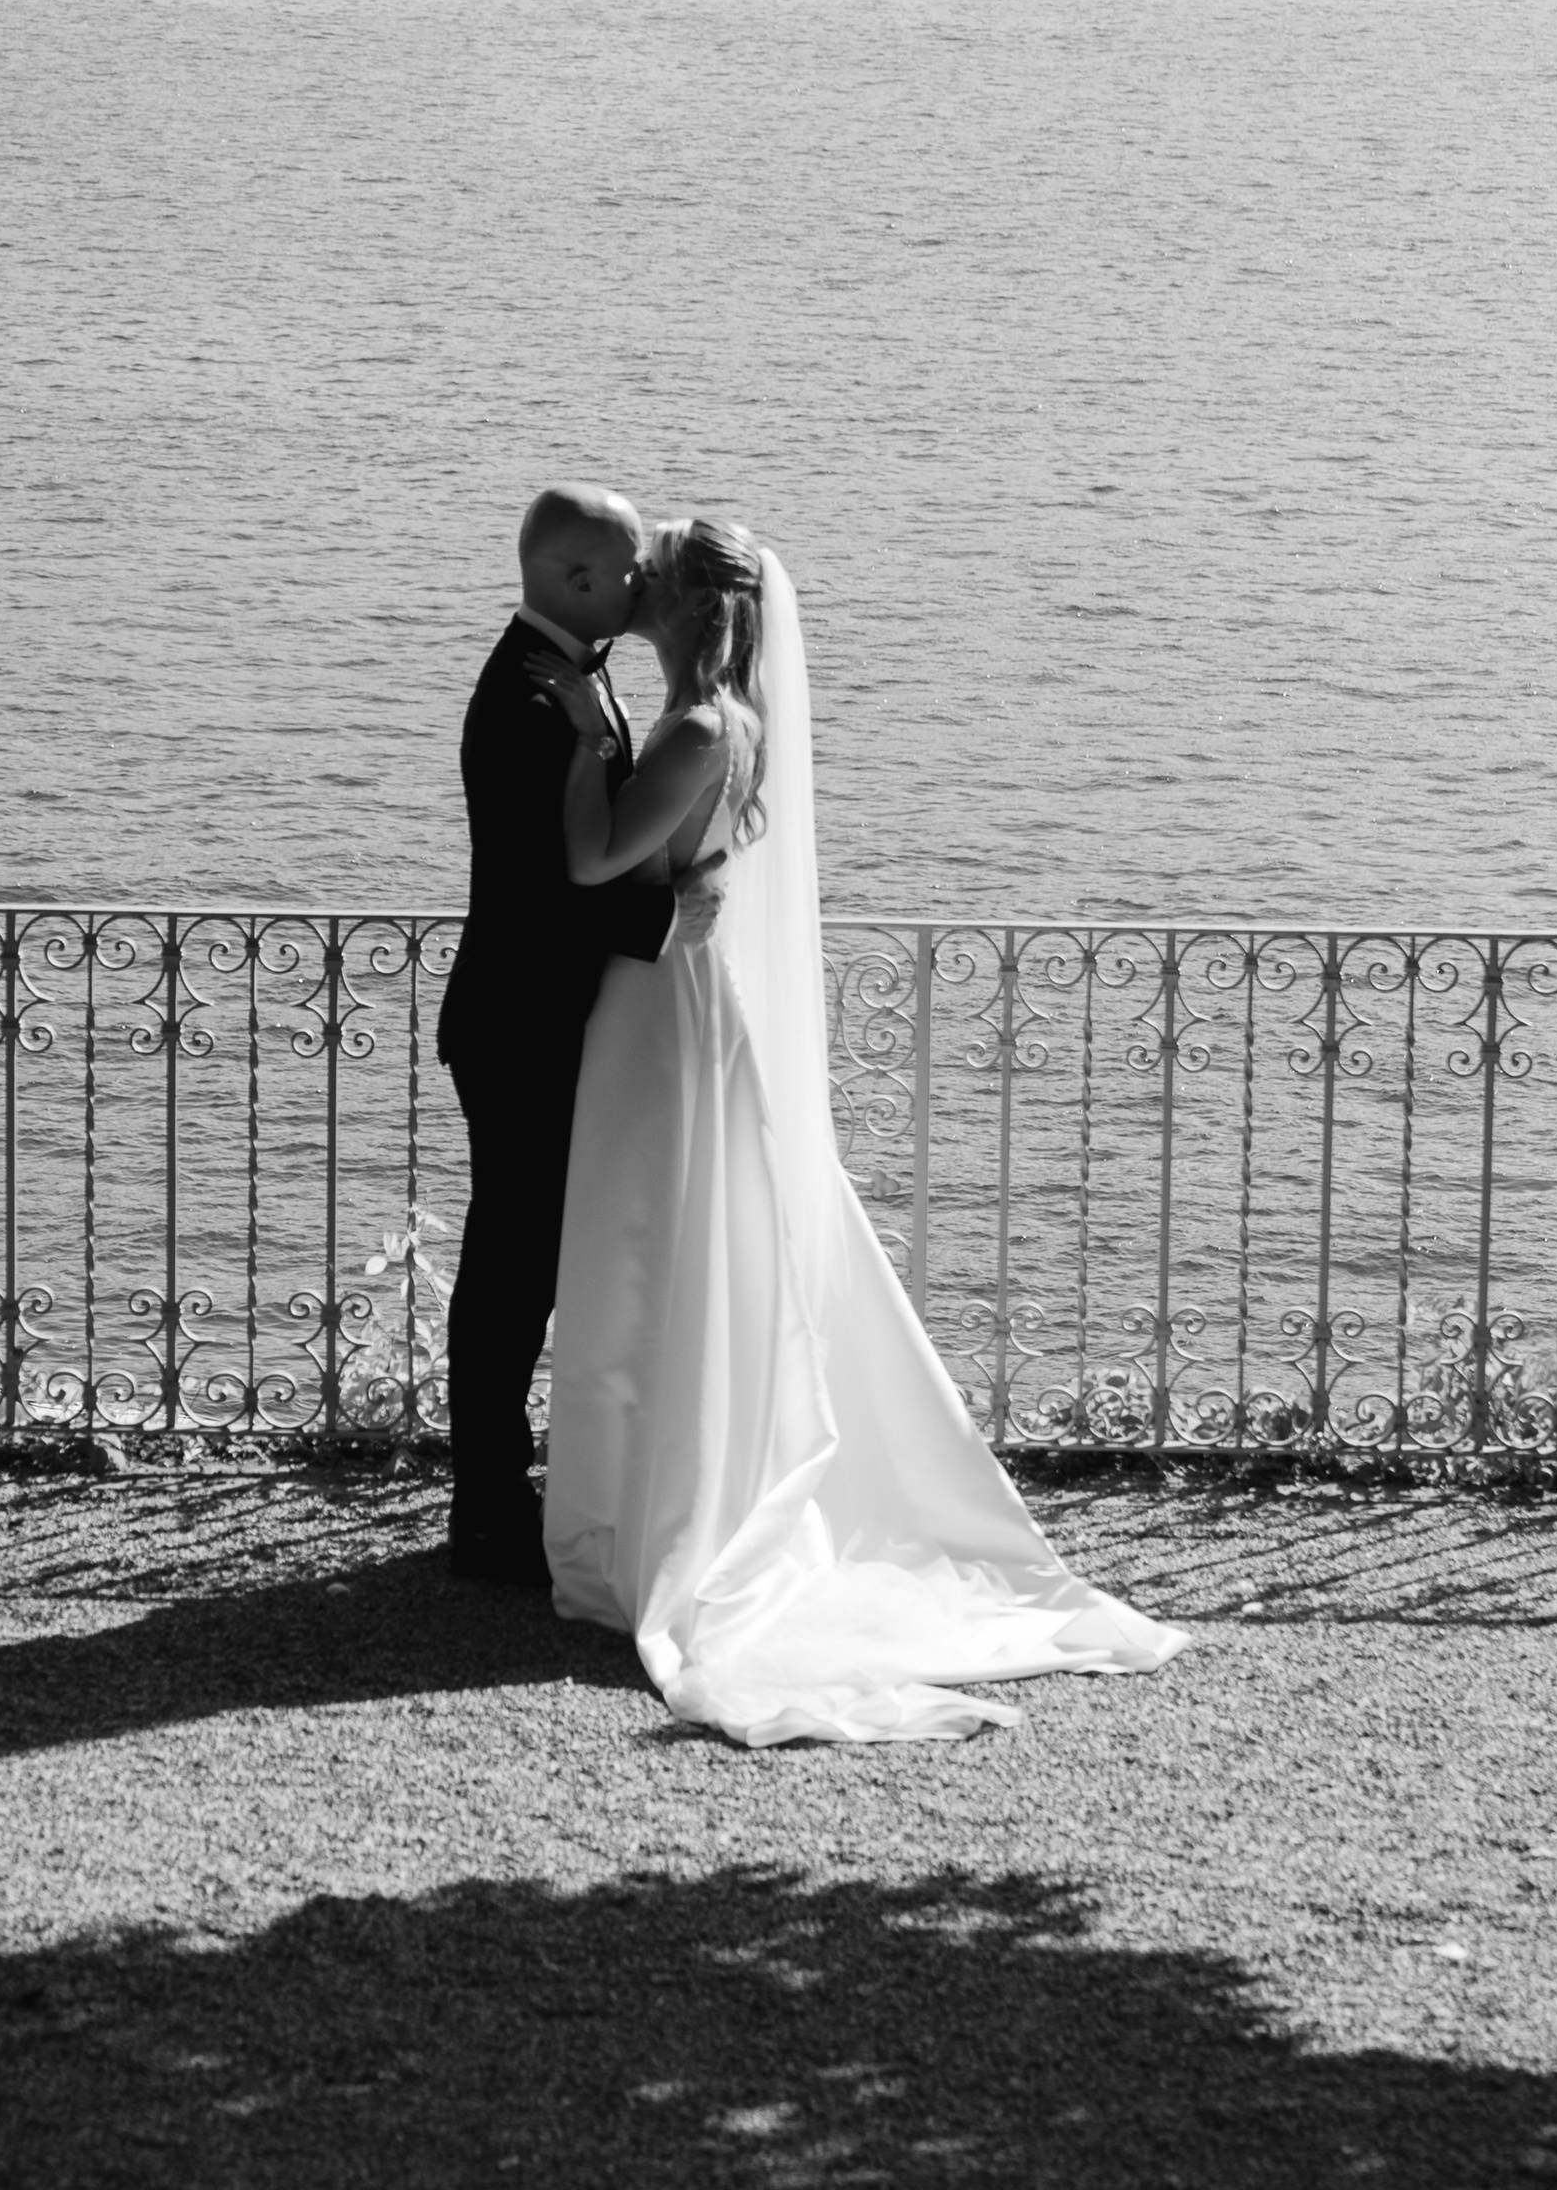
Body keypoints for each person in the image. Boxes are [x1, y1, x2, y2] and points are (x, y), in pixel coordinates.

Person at [527, 518, 1186, 1744]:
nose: (634, 584)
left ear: (688, 607)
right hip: (664, 991)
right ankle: (637, 1496)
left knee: (645, 1236)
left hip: (658, 1006)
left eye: (651, 574)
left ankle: (651, 1512)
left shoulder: (698, 727)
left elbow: (590, 859)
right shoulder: (716, 721)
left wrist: (578, 739)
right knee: (651, 1239)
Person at [434, 484, 710, 1585]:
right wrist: (673, 920)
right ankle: (487, 1509)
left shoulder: (564, 676)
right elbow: (544, 887)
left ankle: (505, 1491)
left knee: (531, 1260)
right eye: (631, 569)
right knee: (512, 1269)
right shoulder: (527, 698)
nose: (644, 584)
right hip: (518, 1021)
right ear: (580, 579)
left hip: (546, 1015)